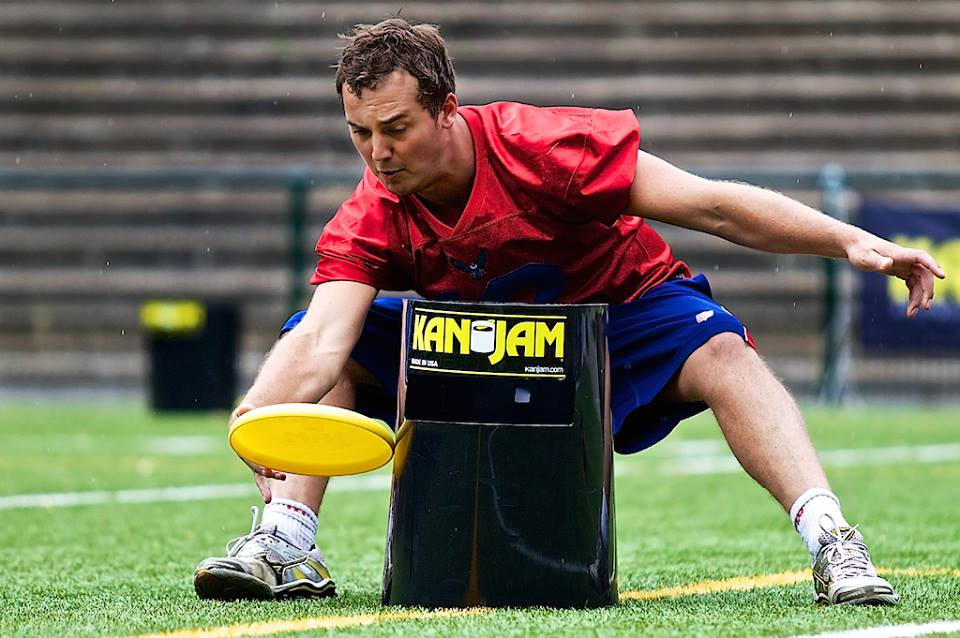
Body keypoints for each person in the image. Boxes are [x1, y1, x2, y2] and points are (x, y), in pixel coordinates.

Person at [193, 18, 944, 605]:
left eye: (396, 128)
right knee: (329, 343)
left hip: (615, 315)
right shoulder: (372, 211)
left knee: (723, 351)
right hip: (477, 345)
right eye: (360, 133)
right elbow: (324, 338)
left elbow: (712, 206)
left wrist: (850, 240)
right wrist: (256, 415)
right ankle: (285, 542)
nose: (378, 153)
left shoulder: (545, 148)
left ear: (447, 110)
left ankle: (832, 542)